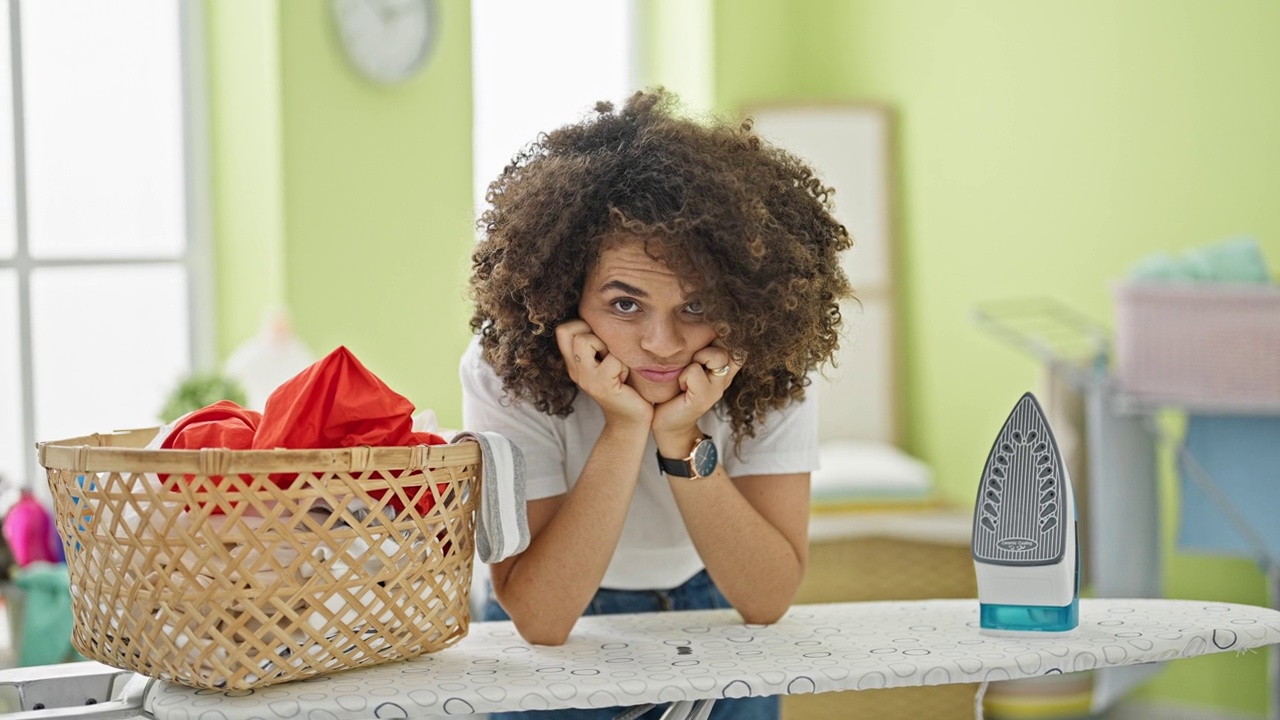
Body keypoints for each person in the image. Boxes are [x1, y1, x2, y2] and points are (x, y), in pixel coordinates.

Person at [461, 88, 853, 720]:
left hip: (713, 606)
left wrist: (679, 437)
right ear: (565, 296)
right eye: (624, 305)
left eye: (695, 307)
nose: (660, 344)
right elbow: (540, 616)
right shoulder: (504, 373)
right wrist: (624, 426)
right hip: (562, 638)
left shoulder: (770, 365)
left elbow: (766, 598)